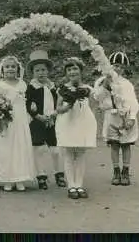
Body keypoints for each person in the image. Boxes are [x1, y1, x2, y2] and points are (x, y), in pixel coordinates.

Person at [0, 55, 35, 191]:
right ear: (2, 69)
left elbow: (26, 101)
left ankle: (19, 178)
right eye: (7, 67)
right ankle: (7, 178)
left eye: (13, 67)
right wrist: (0, 115)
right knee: (6, 148)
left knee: (19, 147)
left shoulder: (22, 84)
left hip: (20, 119)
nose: (10, 69)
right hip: (6, 119)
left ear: (17, 69)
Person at [94, 51, 139, 186]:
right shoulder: (102, 81)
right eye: (113, 65)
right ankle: (116, 171)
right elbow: (97, 97)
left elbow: (133, 102)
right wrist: (105, 86)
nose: (116, 68)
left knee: (125, 145)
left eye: (119, 66)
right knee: (114, 144)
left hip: (125, 117)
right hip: (112, 116)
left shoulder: (127, 84)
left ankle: (126, 171)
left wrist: (131, 117)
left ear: (124, 68)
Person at [55, 57, 97, 199]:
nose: (72, 72)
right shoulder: (62, 89)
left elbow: (95, 104)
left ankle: (79, 184)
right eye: (69, 70)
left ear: (80, 71)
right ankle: (71, 185)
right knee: (68, 154)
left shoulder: (88, 89)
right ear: (66, 73)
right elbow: (58, 108)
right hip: (67, 122)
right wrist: (67, 107)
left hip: (83, 122)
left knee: (80, 154)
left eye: (75, 69)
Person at [25, 50, 66, 189]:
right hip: (37, 121)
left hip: (52, 121)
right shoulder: (31, 87)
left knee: (55, 150)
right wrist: (37, 115)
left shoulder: (52, 86)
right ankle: (41, 176)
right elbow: (27, 104)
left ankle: (59, 173)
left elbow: (58, 101)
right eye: (37, 70)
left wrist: (54, 113)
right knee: (39, 150)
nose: (41, 73)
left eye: (43, 70)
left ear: (48, 71)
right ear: (33, 72)